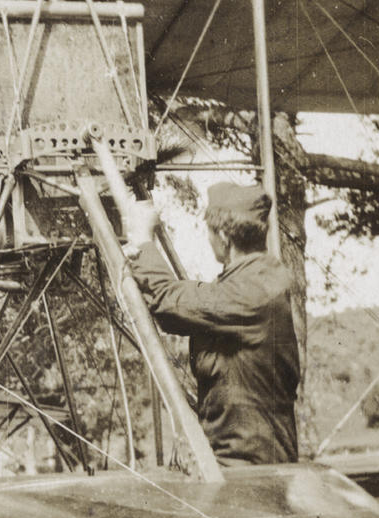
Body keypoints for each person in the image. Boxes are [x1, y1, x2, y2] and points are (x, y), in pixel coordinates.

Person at [127, 183, 300, 466]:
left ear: (223, 236)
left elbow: (170, 302)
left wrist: (144, 241)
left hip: (250, 470)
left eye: (209, 231)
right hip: (238, 463)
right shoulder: (253, 280)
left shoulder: (255, 289)